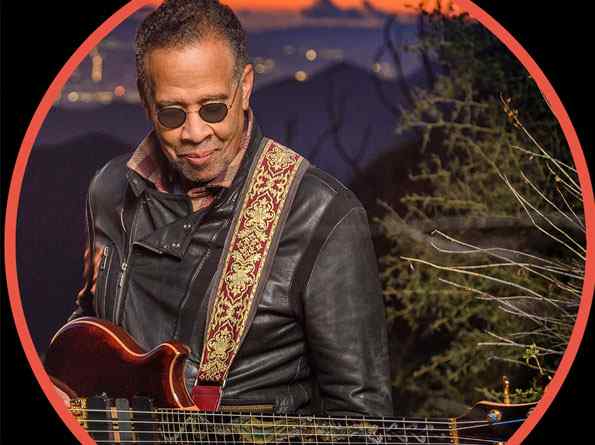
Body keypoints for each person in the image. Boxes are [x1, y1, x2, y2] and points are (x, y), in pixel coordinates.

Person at [57, 0, 393, 417]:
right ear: (146, 100)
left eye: (213, 108)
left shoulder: (322, 215)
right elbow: (91, 323)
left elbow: (362, 418)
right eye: (172, 113)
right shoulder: (108, 190)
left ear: (245, 86)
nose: (195, 132)